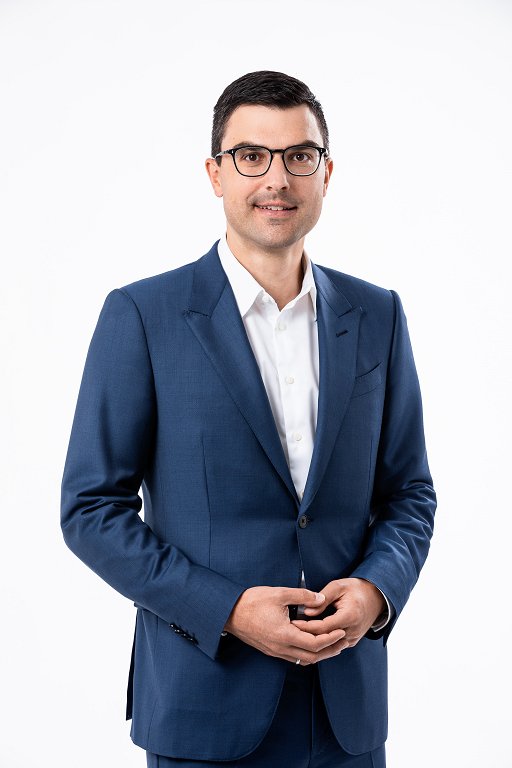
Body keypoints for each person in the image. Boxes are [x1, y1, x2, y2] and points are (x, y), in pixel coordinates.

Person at [61, 70, 436, 768]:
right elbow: (90, 509)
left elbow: (410, 492)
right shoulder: (143, 316)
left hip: (346, 716)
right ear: (215, 173)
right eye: (251, 156)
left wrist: (376, 590)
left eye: (300, 156)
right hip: (204, 705)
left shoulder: (378, 315)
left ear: (327, 173)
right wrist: (227, 609)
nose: (277, 179)